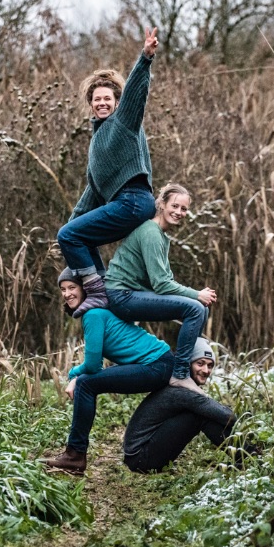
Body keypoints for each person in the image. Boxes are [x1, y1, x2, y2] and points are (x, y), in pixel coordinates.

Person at [56, 28, 161, 318]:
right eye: (96, 100)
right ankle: (104, 289)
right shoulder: (97, 143)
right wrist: (67, 233)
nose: (102, 103)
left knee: (71, 236)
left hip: (134, 200)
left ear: (116, 102)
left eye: (107, 99)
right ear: (90, 104)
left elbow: (136, 94)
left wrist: (145, 58)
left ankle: (98, 293)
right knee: (76, 236)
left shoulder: (123, 121)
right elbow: (91, 194)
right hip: (124, 204)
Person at [42, 268, 175, 475]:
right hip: (160, 363)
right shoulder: (100, 312)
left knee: (86, 383)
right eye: (63, 289)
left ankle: (75, 455)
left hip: (156, 364)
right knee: (86, 381)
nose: (67, 293)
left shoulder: (93, 315)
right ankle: (74, 455)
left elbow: (94, 365)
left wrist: (73, 374)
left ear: (85, 289)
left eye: (72, 287)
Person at [104, 184, 217, 392]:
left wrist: (194, 297)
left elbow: (165, 280)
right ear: (162, 204)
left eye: (184, 209)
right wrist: (196, 294)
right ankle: (180, 373)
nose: (179, 212)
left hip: (133, 294)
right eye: (175, 206)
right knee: (196, 308)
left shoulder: (162, 236)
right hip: (121, 295)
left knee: (201, 309)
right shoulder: (151, 232)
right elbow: (161, 284)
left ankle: (192, 364)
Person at [123, 338, 244, 474]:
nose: (205, 370)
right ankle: (247, 457)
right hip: (141, 458)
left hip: (141, 456)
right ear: (188, 364)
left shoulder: (181, 387)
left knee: (206, 411)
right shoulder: (181, 392)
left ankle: (245, 455)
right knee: (201, 415)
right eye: (200, 363)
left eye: (210, 365)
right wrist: (247, 424)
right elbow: (229, 417)